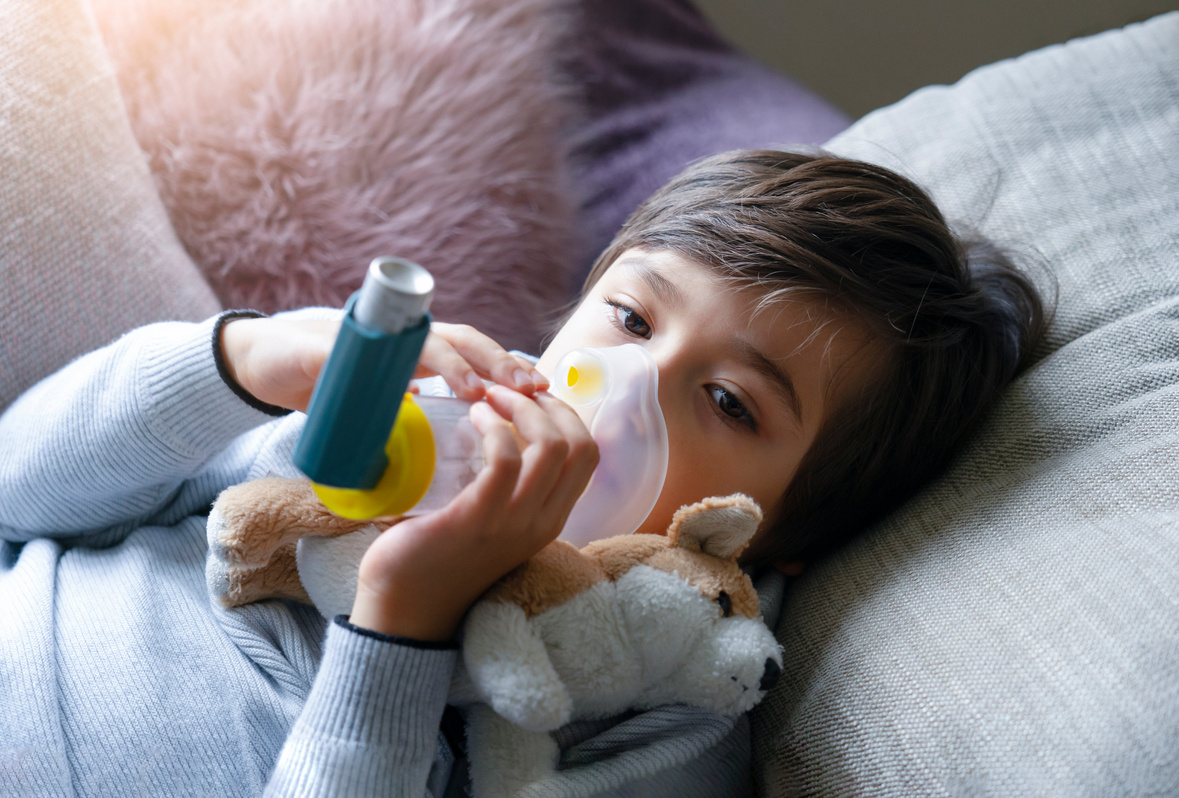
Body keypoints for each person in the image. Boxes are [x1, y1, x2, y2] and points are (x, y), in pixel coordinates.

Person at [0, 150, 1046, 796]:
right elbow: (16, 493)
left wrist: (398, 632)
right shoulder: (395, 420)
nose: (624, 383)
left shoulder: (662, 710)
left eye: (730, 401)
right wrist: (242, 364)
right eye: (631, 317)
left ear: (787, 530)